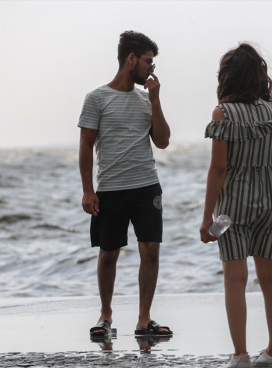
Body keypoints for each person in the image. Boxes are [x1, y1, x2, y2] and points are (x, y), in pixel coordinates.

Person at [200, 43, 272, 368]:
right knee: (270, 278)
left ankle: (240, 356)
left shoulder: (223, 113)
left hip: (232, 205)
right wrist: (263, 141)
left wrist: (206, 218)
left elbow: (219, 169)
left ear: (228, 77)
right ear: (259, 76)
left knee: (235, 279)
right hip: (269, 198)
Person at [79, 31, 173, 340]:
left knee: (151, 251)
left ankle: (144, 319)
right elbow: (85, 146)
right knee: (109, 254)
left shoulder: (147, 99)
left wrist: (156, 100)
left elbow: (162, 141)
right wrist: (88, 190)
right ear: (130, 59)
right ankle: (105, 316)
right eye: (148, 62)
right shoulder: (97, 98)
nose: (151, 69)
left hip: (147, 186)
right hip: (110, 188)